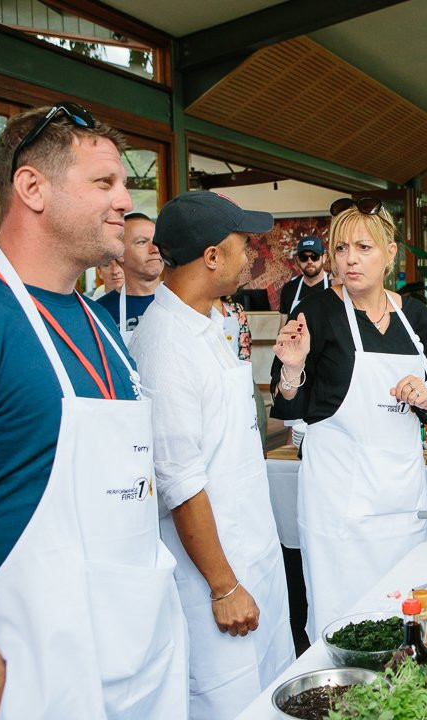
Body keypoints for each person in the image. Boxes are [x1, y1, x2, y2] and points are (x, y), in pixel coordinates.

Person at [0, 103, 187, 719]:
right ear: (32, 187)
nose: (125, 201)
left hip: (142, 662)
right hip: (37, 676)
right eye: (104, 183)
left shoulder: (99, 323)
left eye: (124, 184)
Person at [130, 191, 294, 718]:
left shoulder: (210, 322)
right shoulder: (165, 345)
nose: (251, 254)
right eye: (242, 244)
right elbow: (180, 481)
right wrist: (224, 586)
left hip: (254, 551)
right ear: (211, 256)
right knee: (228, 700)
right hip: (214, 577)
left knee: (271, 691)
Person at [271, 196, 427, 641]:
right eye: (340, 249)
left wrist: (425, 397)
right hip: (339, 506)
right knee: (342, 623)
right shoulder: (316, 312)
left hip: (402, 500)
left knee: (404, 616)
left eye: (364, 248)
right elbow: (290, 403)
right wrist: (292, 368)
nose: (349, 259)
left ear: (391, 253)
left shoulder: (415, 316)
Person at [96, 211, 160, 342]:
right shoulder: (100, 312)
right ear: (120, 254)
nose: (155, 249)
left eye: (157, 241)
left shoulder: (182, 302)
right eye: (142, 242)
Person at [278, 236, 330, 319]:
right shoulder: (289, 288)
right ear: (298, 260)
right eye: (304, 257)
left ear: (324, 258)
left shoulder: (335, 286)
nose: (309, 261)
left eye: (314, 256)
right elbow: (283, 326)